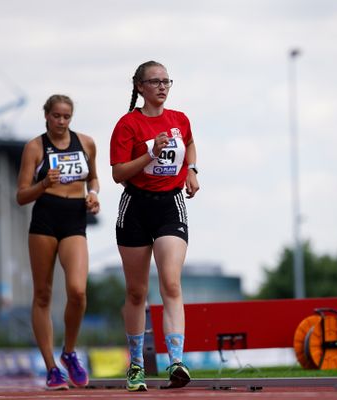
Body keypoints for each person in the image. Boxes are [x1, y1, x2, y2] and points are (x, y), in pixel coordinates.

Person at [110, 60, 200, 392]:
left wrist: (192, 169)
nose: (162, 86)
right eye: (155, 81)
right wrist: (151, 153)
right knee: (136, 292)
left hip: (169, 206)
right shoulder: (128, 125)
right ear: (140, 87)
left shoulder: (179, 120)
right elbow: (118, 173)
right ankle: (135, 366)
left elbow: (188, 142)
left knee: (171, 283)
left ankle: (176, 362)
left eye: (167, 81)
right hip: (135, 206)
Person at [16, 94, 100, 390]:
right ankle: (52, 368)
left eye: (66, 117)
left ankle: (69, 352)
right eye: (56, 116)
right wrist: (43, 184)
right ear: (47, 116)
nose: (61, 122)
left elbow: (95, 179)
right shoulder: (35, 147)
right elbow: (21, 195)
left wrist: (94, 196)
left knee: (77, 291)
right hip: (45, 219)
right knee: (43, 294)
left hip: (75, 218)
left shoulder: (86, 143)